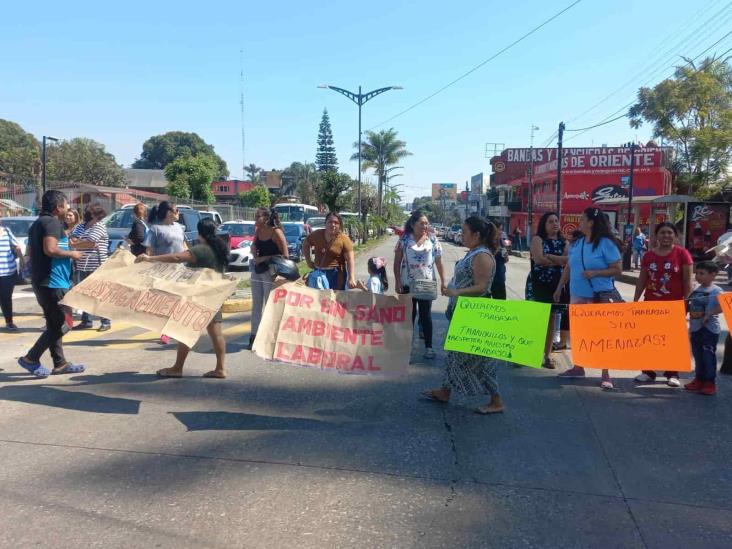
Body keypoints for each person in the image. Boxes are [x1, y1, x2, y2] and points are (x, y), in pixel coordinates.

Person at [422, 216, 504, 414]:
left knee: (483, 359)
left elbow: (482, 287)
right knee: (454, 355)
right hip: (464, 313)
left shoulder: (483, 256)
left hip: (476, 315)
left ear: (476, 235)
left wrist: (456, 292)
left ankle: (496, 400)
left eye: (465, 232)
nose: (462, 235)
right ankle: (445, 391)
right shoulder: (474, 253)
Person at [135, 218, 229, 379]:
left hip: (198, 297)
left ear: (199, 232)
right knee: (216, 334)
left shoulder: (202, 249)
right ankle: (220, 369)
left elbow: (178, 258)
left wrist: (151, 259)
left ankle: (177, 368)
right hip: (214, 295)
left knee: (183, 331)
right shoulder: (219, 248)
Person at [17, 190, 84, 378]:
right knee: (63, 324)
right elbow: (50, 249)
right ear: (58, 207)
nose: (69, 207)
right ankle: (30, 358)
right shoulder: (52, 222)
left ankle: (60, 363)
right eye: (66, 204)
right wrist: (73, 254)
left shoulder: (38, 224)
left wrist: (69, 245)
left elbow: (32, 251)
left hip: (43, 281)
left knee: (53, 323)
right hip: (54, 282)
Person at [554, 207, 623, 390]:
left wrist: (596, 273)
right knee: (579, 333)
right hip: (577, 294)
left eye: (583, 219)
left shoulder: (606, 243)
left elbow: (617, 269)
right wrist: (560, 286)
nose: (580, 222)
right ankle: (579, 366)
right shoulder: (577, 243)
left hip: (599, 295)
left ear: (591, 222)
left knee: (601, 335)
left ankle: (605, 372)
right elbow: (569, 267)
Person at [633, 222, 692, 387]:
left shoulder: (682, 254)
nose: (666, 236)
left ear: (675, 236)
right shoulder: (648, 256)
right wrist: (635, 301)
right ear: (656, 236)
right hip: (650, 306)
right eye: (662, 233)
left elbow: (688, 281)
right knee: (649, 339)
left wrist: (687, 304)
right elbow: (642, 280)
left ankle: (672, 373)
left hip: (674, 306)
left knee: (673, 340)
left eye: (669, 233)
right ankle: (648, 371)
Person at [394, 211, 446, 359]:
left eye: (426, 223)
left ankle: (429, 347)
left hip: (426, 284)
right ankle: (406, 347)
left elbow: (439, 262)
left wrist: (443, 281)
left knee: (426, 316)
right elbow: (397, 263)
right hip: (407, 284)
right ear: (412, 224)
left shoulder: (433, 240)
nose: (425, 226)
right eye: (422, 223)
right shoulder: (404, 240)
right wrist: (397, 281)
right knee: (409, 316)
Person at [530, 212, 569, 368]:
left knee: (552, 319)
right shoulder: (537, 239)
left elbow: (568, 261)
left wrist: (551, 257)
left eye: (556, 221)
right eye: (550, 221)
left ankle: (547, 356)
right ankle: (529, 351)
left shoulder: (564, 241)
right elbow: (538, 259)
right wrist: (559, 261)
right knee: (537, 318)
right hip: (539, 283)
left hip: (556, 284)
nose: (555, 224)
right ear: (544, 225)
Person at [144, 201, 185, 344]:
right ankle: (165, 332)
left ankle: (175, 329)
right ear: (169, 212)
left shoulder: (180, 228)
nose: (178, 212)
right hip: (162, 271)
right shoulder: (155, 229)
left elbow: (184, 246)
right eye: (177, 210)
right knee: (166, 302)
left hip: (180, 270)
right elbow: (149, 252)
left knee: (179, 301)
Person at [250, 208, 288, 349]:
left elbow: (285, 255)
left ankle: (270, 338)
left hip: (271, 273)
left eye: (257, 216)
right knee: (256, 305)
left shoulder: (276, 232)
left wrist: (265, 258)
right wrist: (254, 249)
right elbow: (254, 244)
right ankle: (253, 336)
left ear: (266, 218)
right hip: (258, 270)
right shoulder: (258, 231)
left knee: (269, 306)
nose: (255, 219)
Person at [684, 261, 723, 396]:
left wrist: (710, 313)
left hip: (709, 330)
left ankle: (710, 383)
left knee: (708, 356)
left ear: (713, 275)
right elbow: (688, 304)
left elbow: (723, 306)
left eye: (702, 273)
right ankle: (699, 380)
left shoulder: (717, 290)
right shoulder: (696, 289)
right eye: (697, 273)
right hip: (695, 328)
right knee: (698, 356)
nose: (698, 276)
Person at [71, 203, 111, 332]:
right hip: (82, 264)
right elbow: (71, 240)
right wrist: (82, 244)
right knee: (84, 294)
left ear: (95, 214)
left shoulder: (99, 226)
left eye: (90, 211)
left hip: (97, 265)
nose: (86, 212)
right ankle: (86, 321)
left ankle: (105, 321)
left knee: (99, 295)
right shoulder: (82, 226)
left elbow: (90, 242)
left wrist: (78, 244)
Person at [303, 211, 357, 290]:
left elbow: (350, 259)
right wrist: (308, 261)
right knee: (318, 299)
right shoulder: (317, 235)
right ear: (325, 223)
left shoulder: (344, 239)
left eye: (336, 223)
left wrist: (351, 277)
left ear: (340, 225)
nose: (333, 225)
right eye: (330, 222)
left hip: (336, 276)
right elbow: (306, 244)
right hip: (318, 274)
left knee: (334, 300)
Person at [0, 220, 22, 331]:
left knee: (6, 298)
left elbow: (16, 246)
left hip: (8, 272)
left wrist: (18, 251)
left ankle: (9, 322)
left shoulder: (7, 231)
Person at [491, 230, 508, 300]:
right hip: (488, 279)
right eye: (499, 229)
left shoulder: (501, 244)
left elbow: (506, 259)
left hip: (499, 278)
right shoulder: (486, 244)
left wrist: (505, 255)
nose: (501, 232)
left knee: (500, 302)